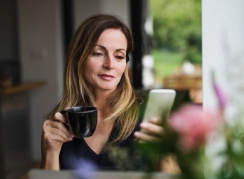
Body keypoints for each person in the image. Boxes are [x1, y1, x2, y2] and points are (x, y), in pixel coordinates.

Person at [40, 14, 164, 170]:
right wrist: (51, 151)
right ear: (79, 58)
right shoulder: (59, 123)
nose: (110, 64)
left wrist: (167, 152)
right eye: (98, 53)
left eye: (119, 56)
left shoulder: (146, 117)